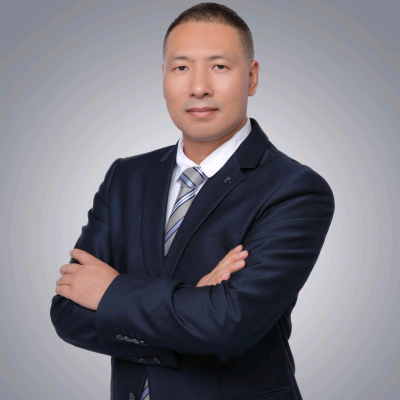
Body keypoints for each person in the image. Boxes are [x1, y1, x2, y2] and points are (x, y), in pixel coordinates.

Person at [50, 3, 335, 400]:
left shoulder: (295, 189)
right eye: (181, 67)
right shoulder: (126, 177)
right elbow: (68, 313)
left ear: (251, 77)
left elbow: (228, 324)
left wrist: (111, 293)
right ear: (164, 77)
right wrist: (194, 303)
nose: (198, 87)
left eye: (219, 66)